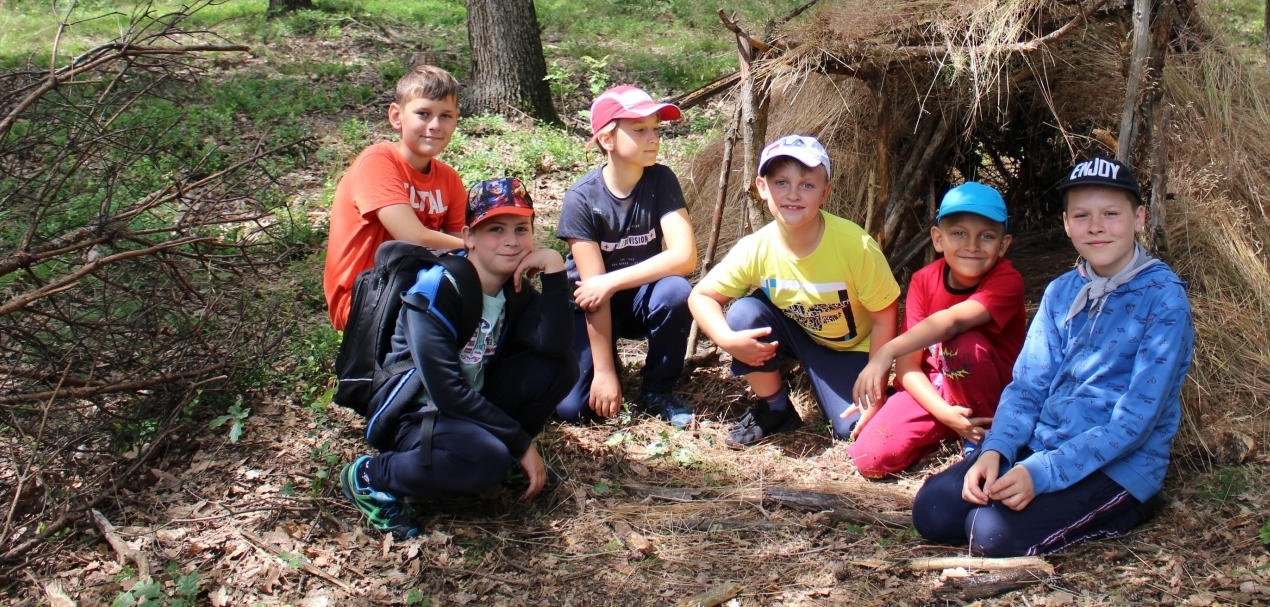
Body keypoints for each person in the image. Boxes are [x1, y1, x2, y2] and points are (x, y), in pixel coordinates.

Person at [912, 155, 1194, 556]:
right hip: (1045, 443)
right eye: (1082, 215)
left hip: (1119, 463)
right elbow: (1028, 386)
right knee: (933, 511)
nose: (1095, 226)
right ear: (1066, 223)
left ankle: (1129, 507)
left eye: (1111, 213)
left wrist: (1043, 473)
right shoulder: (1062, 291)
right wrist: (997, 449)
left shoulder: (1164, 298)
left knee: (987, 532)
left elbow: (1136, 419)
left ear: (1139, 218)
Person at [339, 177, 577, 538]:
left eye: (521, 229)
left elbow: (555, 346)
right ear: (469, 237)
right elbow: (446, 390)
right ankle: (372, 476)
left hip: (467, 406)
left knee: (560, 367)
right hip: (417, 415)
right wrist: (519, 441)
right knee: (486, 457)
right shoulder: (436, 288)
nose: (511, 241)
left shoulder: (513, 289)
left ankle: (502, 459)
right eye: (495, 229)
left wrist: (556, 270)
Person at [689, 135, 900, 445]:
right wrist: (727, 340)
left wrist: (876, 382)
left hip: (851, 347)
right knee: (745, 314)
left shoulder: (855, 246)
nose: (792, 194)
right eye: (781, 182)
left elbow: (885, 316)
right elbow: (702, 296)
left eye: (807, 185)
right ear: (762, 187)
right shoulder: (757, 247)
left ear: (825, 192)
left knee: (854, 428)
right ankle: (775, 408)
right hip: (795, 332)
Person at [849, 182, 1026, 478]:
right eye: (959, 233)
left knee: (961, 343)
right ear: (938, 239)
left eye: (986, 236)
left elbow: (952, 322)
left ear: (1003, 245)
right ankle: (952, 427)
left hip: (989, 391)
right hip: (938, 389)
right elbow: (908, 366)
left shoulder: (1007, 281)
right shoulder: (924, 280)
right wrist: (945, 413)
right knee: (869, 458)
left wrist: (887, 351)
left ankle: (985, 438)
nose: (972, 245)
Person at [554, 85, 699, 428]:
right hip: (588, 308)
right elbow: (593, 294)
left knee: (676, 291)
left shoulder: (661, 180)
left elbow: (684, 257)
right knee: (574, 410)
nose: (653, 138)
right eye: (639, 129)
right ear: (607, 139)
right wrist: (604, 371)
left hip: (637, 297)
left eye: (655, 129)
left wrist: (612, 280)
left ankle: (658, 390)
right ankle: (604, 362)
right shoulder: (581, 199)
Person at [324, 65, 468, 331]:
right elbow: (413, 236)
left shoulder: (449, 179)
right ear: (396, 116)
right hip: (365, 296)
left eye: (446, 115)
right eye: (423, 113)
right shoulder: (378, 161)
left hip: (413, 286)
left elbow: (461, 245)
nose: (435, 125)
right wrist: (479, 247)